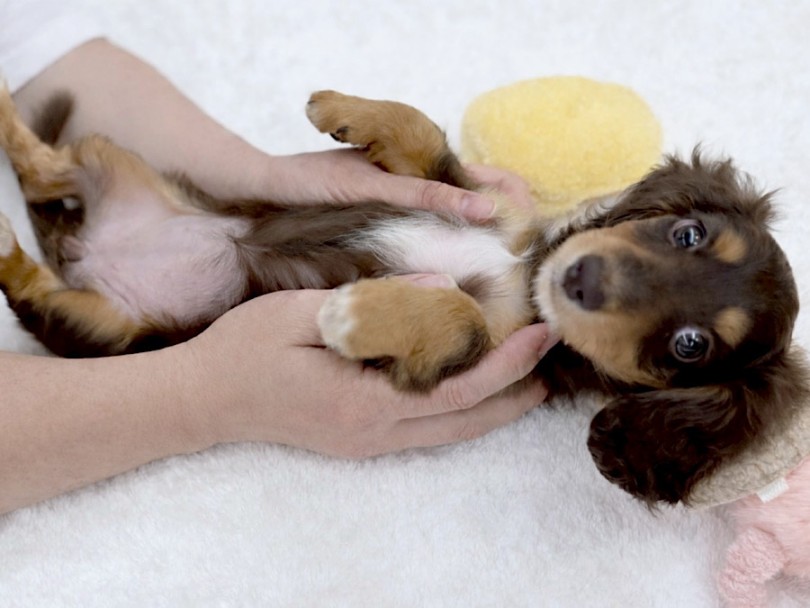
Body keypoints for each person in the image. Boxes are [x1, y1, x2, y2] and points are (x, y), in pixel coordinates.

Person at [0, 6, 557, 515]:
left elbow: (32, 40)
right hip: (181, 279)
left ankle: (28, 230)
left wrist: (261, 174)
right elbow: (431, 165)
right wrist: (203, 392)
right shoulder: (502, 276)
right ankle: (33, 235)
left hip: (179, 249)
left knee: (100, 167)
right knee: (94, 299)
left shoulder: (506, 300)